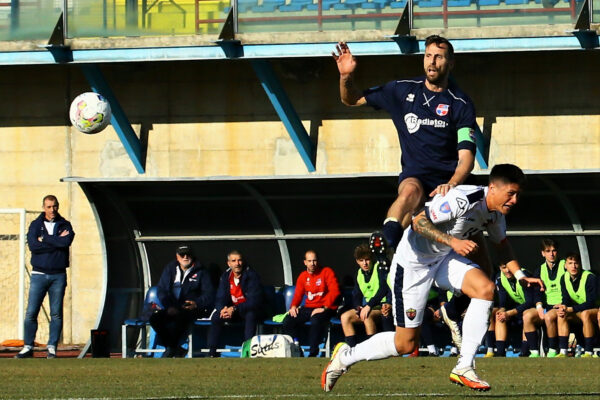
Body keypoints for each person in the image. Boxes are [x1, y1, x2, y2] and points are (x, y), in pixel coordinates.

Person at [322, 164, 543, 392]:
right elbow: (418, 222)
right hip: (412, 265)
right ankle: (345, 357)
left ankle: (464, 366)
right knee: (405, 343)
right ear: (493, 188)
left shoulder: (496, 214)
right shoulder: (462, 199)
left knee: (485, 288)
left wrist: (519, 275)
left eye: (518, 195)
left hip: (442, 260)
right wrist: (453, 242)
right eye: (511, 193)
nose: (515, 200)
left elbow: (502, 245)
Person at [332, 35, 477, 252]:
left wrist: (452, 184)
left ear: (451, 63)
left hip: (448, 185)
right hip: (416, 176)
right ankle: (386, 245)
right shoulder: (402, 90)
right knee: (409, 192)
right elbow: (351, 99)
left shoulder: (461, 103)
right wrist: (346, 77)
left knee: (475, 252)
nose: (432, 62)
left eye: (439, 57)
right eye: (428, 56)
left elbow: (466, 158)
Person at [16, 195, 75, 359]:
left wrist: (46, 240)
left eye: (54, 206)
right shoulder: (36, 225)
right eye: (49, 207)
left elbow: (65, 243)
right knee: (31, 312)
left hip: (58, 275)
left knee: (56, 313)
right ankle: (28, 346)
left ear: (58, 206)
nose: (52, 210)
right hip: (39, 275)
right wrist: (55, 241)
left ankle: (51, 347)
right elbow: (33, 245)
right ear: (44, 207)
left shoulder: (65, 224)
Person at [150, 244, 214, 357]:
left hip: (192, 308)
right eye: (182, 255)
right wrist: (169, 306)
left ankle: (171, 350)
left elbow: (209, 294)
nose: (185, 257)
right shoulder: (170, 268)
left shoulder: (201, 271)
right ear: (177, 256)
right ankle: (174, 348)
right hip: (172, 307)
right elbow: (162, 291)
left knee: (180, 319)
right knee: (154, 318)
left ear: (192, 256)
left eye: (188, 254)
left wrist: (197, 303)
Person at [282, 250, 341, 357]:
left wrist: (324, 307)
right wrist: (293, 306)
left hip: (326, 308)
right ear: (305, 262)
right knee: (288, 320)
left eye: (314, 261)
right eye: (309, 261)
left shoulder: (326, 272)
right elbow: (298, 294)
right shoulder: (303, 276)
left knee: (316, 320)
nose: (312, 263)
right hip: (309, 307)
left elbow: (335, 291)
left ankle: (313, 353)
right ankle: (296, 350)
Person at [207, 250, 263, 357]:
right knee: (216, 316)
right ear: (229, 263)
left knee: (251, 315)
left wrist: (235, 308)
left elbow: (254, 301)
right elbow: (220, 297)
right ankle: (212, 352)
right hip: (233, 310)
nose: (237, 263)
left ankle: (248, 350)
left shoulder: (252, 276)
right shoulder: (225, 277)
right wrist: (222, 309)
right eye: (234, 261)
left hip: (249, 310)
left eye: (239, 260)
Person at [340, 244, 393, 347]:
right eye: (361, 260)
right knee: (345, 317)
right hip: (369, 307)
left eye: (367, 260)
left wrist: (369, 306)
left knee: (366, 316)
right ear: (357, 261)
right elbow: (356, 294)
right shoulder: (358, 274)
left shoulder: (380, 268)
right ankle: (353, 350)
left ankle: (372, 349)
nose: (365, 263)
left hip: (382, 306)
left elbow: (384, 289)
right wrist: (358, 307)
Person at [554, 253, 598, 358]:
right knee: (561, 313)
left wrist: (571, 308)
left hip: (595, 309)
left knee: (585, 314)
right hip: (579, 310)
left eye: (576, 263)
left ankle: (588, 352)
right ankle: (563, 351)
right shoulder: (563, 278)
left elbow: (591, 302)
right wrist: (564, 307)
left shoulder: (590, 278)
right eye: (570, 263)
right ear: (565, 266)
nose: (573, 266)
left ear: (580, 264)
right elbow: (565, 298)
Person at [528, 238, 566, 357]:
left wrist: (564, 303)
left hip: (561, 305)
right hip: (546, 306)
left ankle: (552, 350)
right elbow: (537, 292)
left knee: (549, 317)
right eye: (548, 251)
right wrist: (539, 307)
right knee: (527, 316)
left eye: (554, 251)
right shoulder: (539, 269)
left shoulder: (565, 266)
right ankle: (534, 352)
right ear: (543, 253)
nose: (551, 254)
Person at [494, 263, 539, 357]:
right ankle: (500, 353)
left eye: (509, 267)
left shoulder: (524, 275)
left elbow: (530, 302)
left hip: (533, 308)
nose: (507, 270)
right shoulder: (499, 277)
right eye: (503, 268)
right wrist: (502, 311)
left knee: (526, 315)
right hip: (518, 308)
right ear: (500, 268)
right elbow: (503, 302)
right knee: (499, 314)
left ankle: (525, 351)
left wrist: (510, 312)